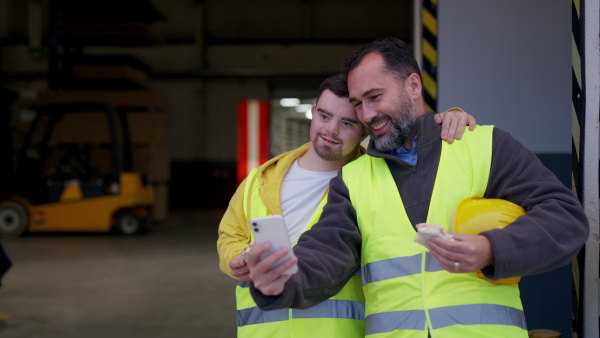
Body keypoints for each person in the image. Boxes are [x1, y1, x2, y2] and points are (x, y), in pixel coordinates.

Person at [245, 37, 590, 338]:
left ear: (413, 85)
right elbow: (325, 252)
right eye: (358, 103)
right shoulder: (353, 179)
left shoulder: (485, 146)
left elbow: (566, 219)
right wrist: (283, 277)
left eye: (375, 97)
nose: (367, 114)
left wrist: (491, 248)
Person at [217, 73, 476, 337]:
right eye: (325, 116)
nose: (331, 130)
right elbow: (230, 236)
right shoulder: (260, 180)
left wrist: (450, 117)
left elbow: (421, 153)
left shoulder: (375, 179)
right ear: (313, 111)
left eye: (347, 123)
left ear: (366, 129)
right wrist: (237, 259)